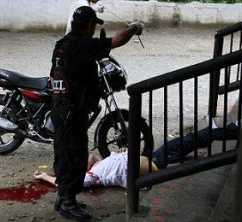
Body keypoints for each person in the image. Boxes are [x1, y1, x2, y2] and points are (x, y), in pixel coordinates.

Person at [49, 6, 143, 221]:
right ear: (90, 25)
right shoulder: (80, 44)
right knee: (73, 156)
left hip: (63, 108)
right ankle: (67, 202)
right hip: (71, 112)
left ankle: (64, 197)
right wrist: (134, 27)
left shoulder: (62, 45)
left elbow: (54, 77)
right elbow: (116, 41)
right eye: (94, 25)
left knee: (65, 155)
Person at [34, 148, 158, 188]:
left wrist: (123, 150)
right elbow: (65, 183)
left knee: (176, 145)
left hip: (147, 158)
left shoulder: (96, 166)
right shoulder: (89, 177)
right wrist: (45, 176)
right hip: (152, 166)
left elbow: (93, 155)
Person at [152, 121, 239, 169]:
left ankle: (228, 129)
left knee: (180, 145)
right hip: (155, 161)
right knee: (179, 145)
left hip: (154, 160)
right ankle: (230, 129)